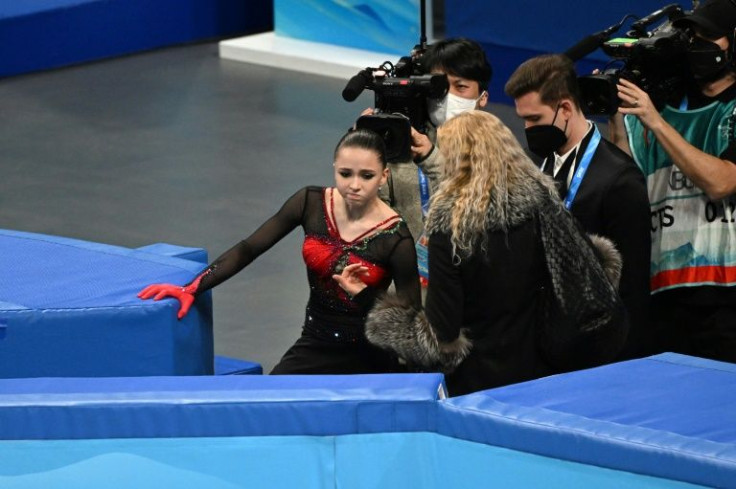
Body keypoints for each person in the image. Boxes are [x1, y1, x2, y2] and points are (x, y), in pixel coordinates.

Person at [339, 111, 626, 396]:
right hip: (541, 377)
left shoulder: (450, 229)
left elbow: (441, 339)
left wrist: (374, 305)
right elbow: (592, 270)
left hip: (476, 387)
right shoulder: (544, 207)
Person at [138, 129, 421, 374]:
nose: (354, 185)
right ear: (334, 166)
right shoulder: (309, 202)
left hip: (370, 355)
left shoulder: (396, 237)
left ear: (384, 176)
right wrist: (192, 288)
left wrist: (363, 294)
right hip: (315, 343)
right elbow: (249, 248)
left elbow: (409, 321)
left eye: (367, 176)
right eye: (345, 174)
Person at [609, 0, 736, 363]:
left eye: (709, 36)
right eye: (691, 35)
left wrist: (656, 121)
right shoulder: (659, 112)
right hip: (665, 294)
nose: (697, 44)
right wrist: (619, 116)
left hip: (727, 298)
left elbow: (723, 182)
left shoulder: (670, 119)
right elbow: (630, 181)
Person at [504, 54, 652, 359]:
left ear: (566, 108)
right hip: (548, 348)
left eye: (534, 119)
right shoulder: (538, 170)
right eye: (523, 120)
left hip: (599, 354)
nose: (528, 128)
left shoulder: (620, 179)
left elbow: (632, 290)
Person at [362, 37, 492, 241]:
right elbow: (369, 214)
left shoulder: (496, 150)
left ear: (483, 97)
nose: (449, 97)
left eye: (461, 87)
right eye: (440, 87)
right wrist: (363, 156)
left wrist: (430, 157)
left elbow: (475, 211)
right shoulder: (400, 139)